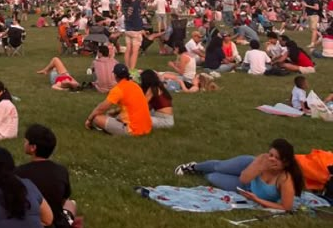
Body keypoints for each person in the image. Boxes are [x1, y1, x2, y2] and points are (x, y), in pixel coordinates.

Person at [174, 139, 304, 211]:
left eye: (277, 158)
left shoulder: (285, 179)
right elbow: (244, 178)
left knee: (212, 177)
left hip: (246, 189)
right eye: (271, 155)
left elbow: (286, 207)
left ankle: (203, 172)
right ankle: (193, 167)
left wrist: (257, 200)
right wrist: (261, 167)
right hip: (246, 169)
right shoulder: (263, 159)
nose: (271, 159)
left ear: (285, 162)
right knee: (220, 166)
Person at [16, 124, 76, 228]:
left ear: (33, 147)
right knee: (71, 204)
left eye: (25, 141)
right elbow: (63, 201)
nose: (24, 143)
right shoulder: (61, 170)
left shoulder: (19, 173)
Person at [85, 63, 152, 136]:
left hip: (133, 130)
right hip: (147, 127)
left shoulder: (118, 89)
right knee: (114, 116)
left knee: (97, 119)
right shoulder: (135, 85)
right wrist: (114, 111)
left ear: (115, 75)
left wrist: (89, 119)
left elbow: (102, 108)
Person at [122, 0, 145, 71]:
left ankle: (127, 67)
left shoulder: (124, 3)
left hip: (127, 29)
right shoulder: (135, 3)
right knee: (135, 51)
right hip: (136, 30)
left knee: (128, 49)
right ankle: (132, 70)